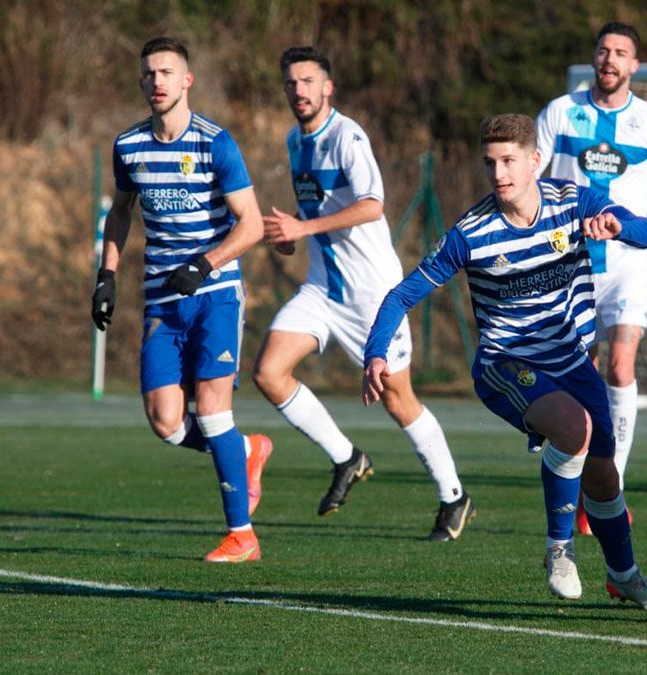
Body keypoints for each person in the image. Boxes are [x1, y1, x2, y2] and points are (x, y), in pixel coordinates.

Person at [364, 113, 647, 612]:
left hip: (572, 361)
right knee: (572, 428)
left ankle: (626, 577)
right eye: (490, 163)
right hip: (504, 363)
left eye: (509, 160)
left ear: (536, 160)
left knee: (604, 477)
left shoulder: (575, 202)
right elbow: (401, 295)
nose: (499, 173)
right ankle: (559, 549)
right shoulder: (472, 232)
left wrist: (621, 226)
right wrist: (376, 350)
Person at [251, 46, 474, 541]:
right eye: (290, 83)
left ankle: (455, 497)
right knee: (268, 372)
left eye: (308, 81)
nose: (298, 91)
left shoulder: (348, 136)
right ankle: (347, 457)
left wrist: (303, 228)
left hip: (372, 296)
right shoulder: (295, 141)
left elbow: (373, 206)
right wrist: (292, 237)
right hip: (322, 289)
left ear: (327, 87)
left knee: (399, 399)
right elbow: (313, 218)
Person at [91, 36, 272, 562]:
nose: (157, 82)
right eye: (148, 74)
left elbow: (252, 224)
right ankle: (246, 450)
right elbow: (121, 212)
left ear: (187, 80)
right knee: (166, 423)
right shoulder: (128, 146)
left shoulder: (216, 142)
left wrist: (205, 263)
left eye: (166, 73)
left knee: (213, 410)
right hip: (161, 300)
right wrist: (107, 276)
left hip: (214, 294)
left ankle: (242, 535)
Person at [535, 21, 647, 532]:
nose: (610, 60)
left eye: (621, 53)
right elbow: (532, 177)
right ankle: (581, 466)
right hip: (569, 262)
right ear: (594, 59)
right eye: (604, 51)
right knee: (579, 375)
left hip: (626, 264)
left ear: (634, 66)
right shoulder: (560, 112)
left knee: (620, 367)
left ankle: (610, 490)